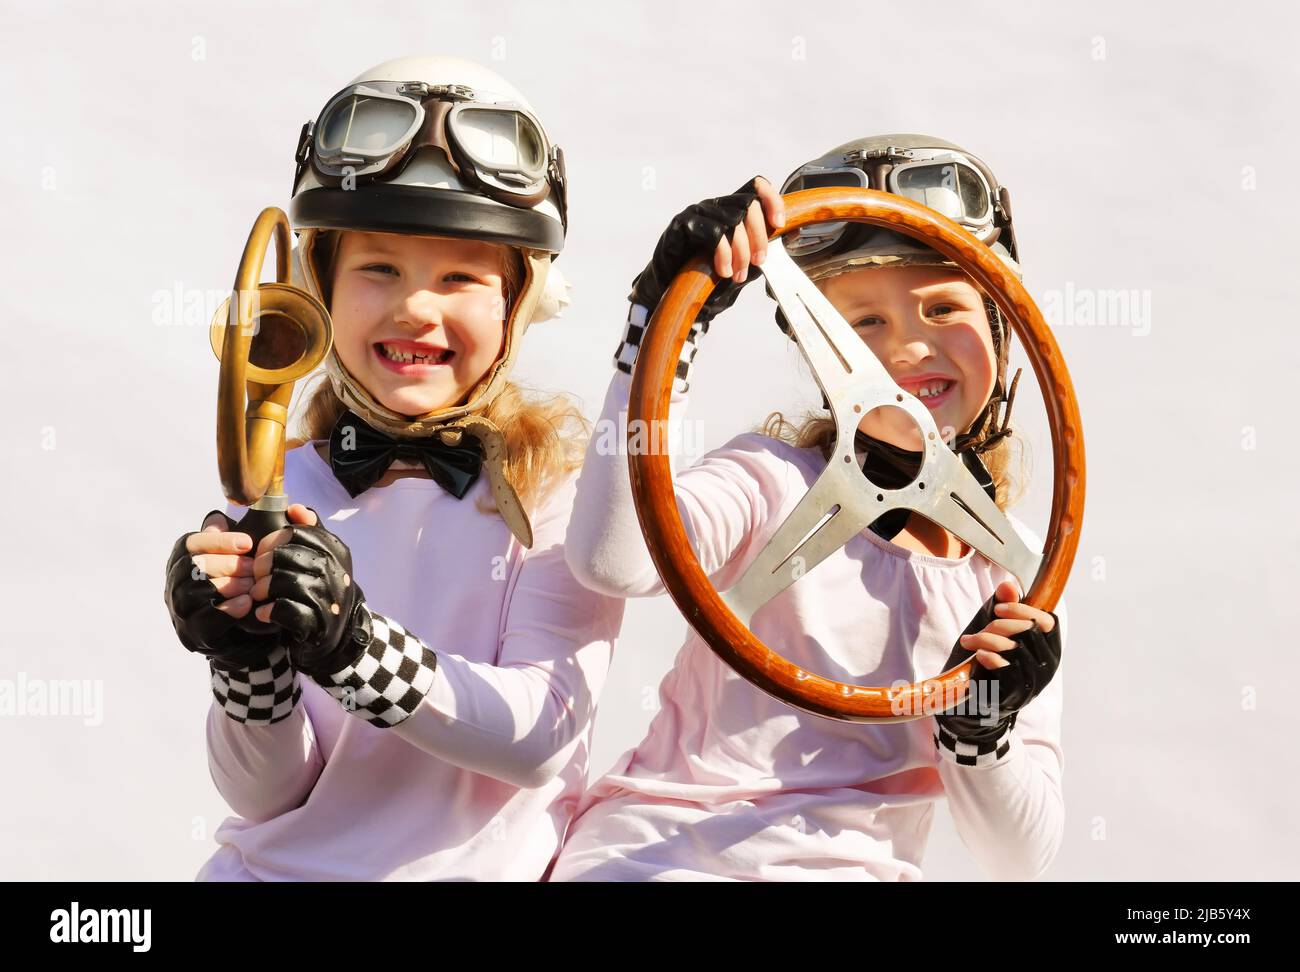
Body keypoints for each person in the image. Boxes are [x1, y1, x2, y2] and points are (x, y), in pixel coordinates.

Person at [551, 135, 1066, 881]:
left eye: (941, 306)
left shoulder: (1019, 574)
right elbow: (611, 561)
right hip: (657, 857)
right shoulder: (770, 482)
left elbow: (1019, 857)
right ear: (817, 349)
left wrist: (980, 727)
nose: (911, 349)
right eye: (864, 324)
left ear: (1001, 321)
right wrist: (660, 327)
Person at [162, 55, 623, 881]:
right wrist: (240, 661)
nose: (416, 306)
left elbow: (540, 738)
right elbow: (265, 797)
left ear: (518, 305)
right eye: (379, 268)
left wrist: (352, 643)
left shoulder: (557, 496)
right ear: (320, 290)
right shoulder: (280, 490)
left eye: (460, 278)